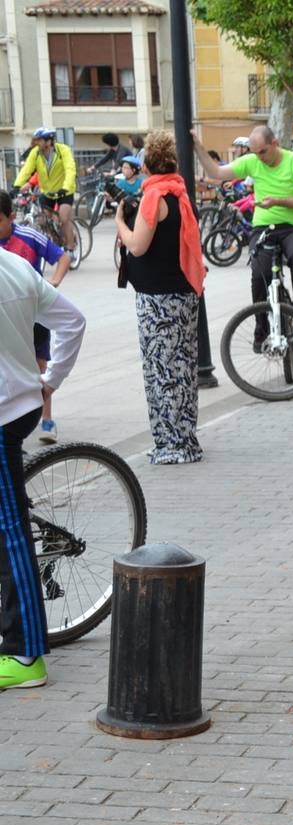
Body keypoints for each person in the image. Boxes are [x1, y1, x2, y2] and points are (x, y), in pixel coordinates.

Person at [0, 245, 86, 690]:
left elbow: (72, 323)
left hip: (3, 415)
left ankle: (24, 651)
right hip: (25, 402)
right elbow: (73, 321)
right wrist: (50, 381)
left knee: (10, 530)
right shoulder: (16, 265)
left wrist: (50, 378)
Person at [114, 130, 206, 466]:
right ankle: (183, 439)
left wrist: (120, 223)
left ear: (148, 165)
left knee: (162, 371)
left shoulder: (155, 197)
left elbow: (137, 244)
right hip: (181, 294)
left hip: (159, 300)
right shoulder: (179, 192)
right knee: (180, 370)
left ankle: (173, 445)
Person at [191, 125, 293, 328]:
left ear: (274, 144)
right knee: (259, 272)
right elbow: (216, 171)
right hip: (264, 227)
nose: (260, 157)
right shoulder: (253, 160)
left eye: (263, 151)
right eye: (255, 153)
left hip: (292, 226)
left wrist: (277, 201)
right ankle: (261, 328)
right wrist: (198, 147)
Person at [0, 192, 70, 444]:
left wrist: (54, 282)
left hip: (34, 312)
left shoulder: (30, 237)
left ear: (11, 217)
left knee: (39, 367)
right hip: (8, 315)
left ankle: (47, 418)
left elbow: (63, 257)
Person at [13, 127, 77, 253]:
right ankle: (56, 241)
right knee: (43, 221)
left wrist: (66, 187)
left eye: (40, 140)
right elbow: (27, 170)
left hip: (65, 191)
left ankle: (71, 248)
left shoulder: (63, 150)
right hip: (47, 192)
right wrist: (16, 186)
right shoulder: (35, 153)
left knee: (64, 218)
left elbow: (70, 169)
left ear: (49, 141)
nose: (36, 143)